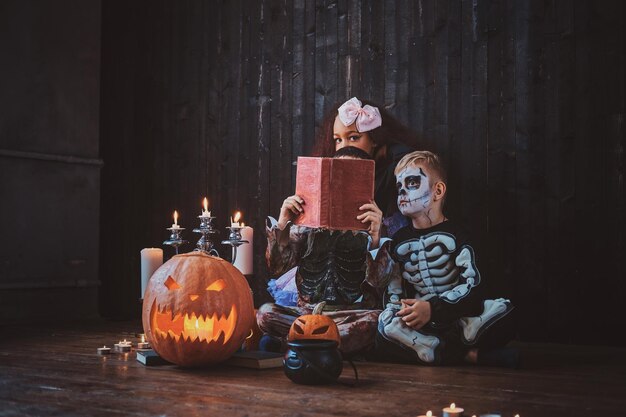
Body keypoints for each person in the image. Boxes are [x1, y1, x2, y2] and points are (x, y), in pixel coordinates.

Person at [369, 150, 517, 367]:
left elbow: (475, 286)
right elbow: (393, 290)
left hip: (459, 318)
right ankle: (467, 355)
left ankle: (439, 352)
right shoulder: (397, 240)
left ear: (437, 191)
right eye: (398, 186)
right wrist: (405, 312)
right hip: (419, 325)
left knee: (504, 309)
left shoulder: (460, 234)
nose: (401, 192)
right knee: (385, 323)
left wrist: (434, 309)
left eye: (411, 183)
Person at [257, 146, 385, 356]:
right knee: (265, 314)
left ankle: (301, 345)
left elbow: (379, 282)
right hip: (307, 314)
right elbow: (277, 267)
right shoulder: (305, 228)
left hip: (350, 314)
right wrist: (283, 222)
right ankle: (327, 347)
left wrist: (376, 237)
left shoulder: (371, 228)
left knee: (376, 321)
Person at [312, 97, 421, 235]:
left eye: (353, 137)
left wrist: (387, 149)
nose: (344, 146)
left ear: (374, 138)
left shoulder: (392, 172)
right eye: (338, 140)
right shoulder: (331, 176)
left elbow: (409, 159)